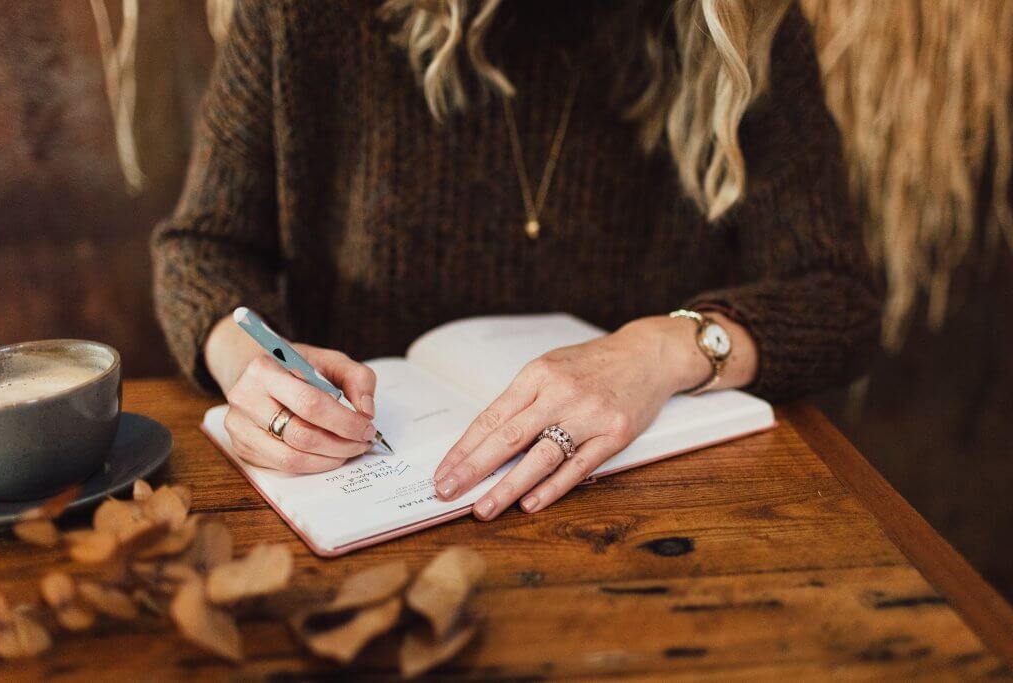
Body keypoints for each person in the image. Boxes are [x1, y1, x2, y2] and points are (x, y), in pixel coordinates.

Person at [152, 0, 880, 522]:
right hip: (371, 502)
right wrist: (249, 368)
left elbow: (839, 295)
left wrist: (666, 348)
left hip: (667, 511)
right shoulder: (304, 17)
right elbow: (203, 249)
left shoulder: (741, 26)